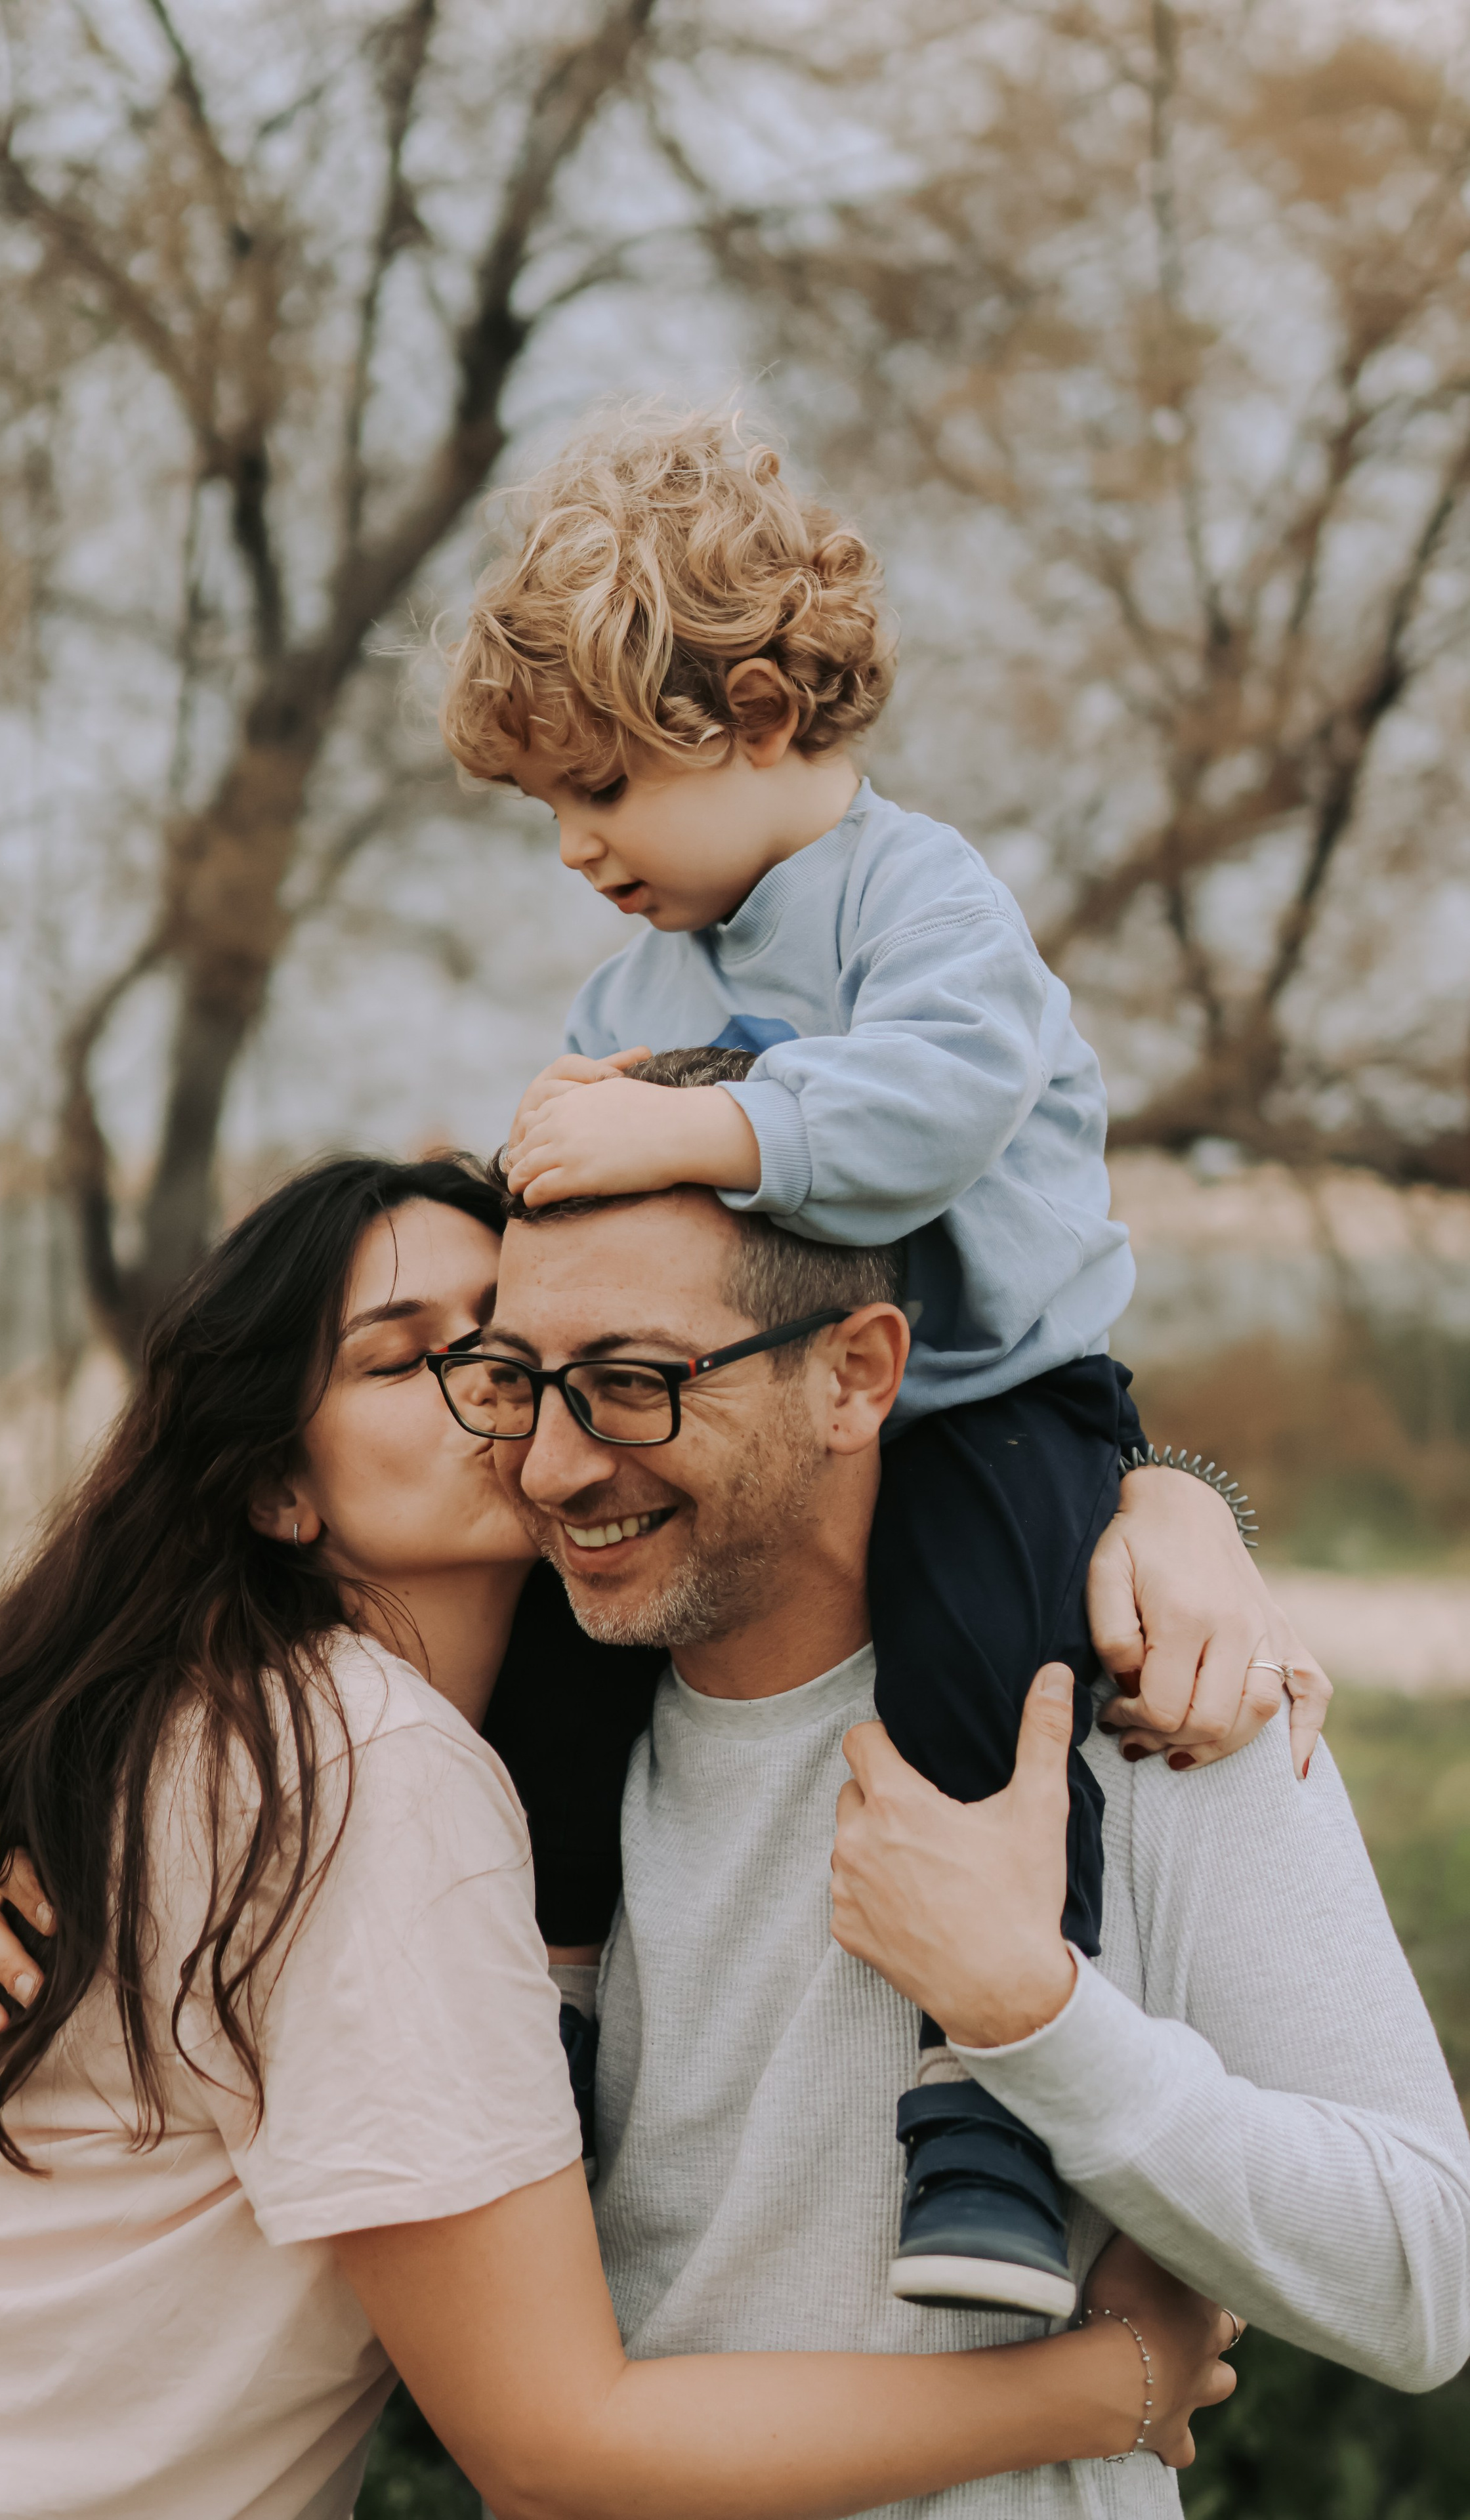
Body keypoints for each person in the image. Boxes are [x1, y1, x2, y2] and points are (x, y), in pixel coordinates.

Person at [0, 1154, 1237, 2520]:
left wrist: (1171, 1497)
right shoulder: (362, 1762)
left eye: (520, 1341)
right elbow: (551, 2449)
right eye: (403, 1354)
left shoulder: (270, 1729)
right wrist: (1113, 2381)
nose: (502, 1389)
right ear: (276, 1487)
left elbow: (830, 1424)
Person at [438, 405, 1328, 2312]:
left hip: (999, 1396)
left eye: (601, 783)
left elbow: (931, 1113)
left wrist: (684, 1130)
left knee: (980, 1683)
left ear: (757, 713)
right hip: (773, 1430)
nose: (578, 841)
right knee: (569, 1677)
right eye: (551, 808)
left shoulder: (929, 905)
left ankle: (982, 2111)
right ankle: (566, 1993)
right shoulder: (632, 981)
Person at [419, 1102, 1470, 2520]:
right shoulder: (475, 1741)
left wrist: (1032, 2013)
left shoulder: (1153, 1700)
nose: (551, 1464)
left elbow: (1423, 2277)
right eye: (517, 1379)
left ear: (856, 1375)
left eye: (630, 1382)